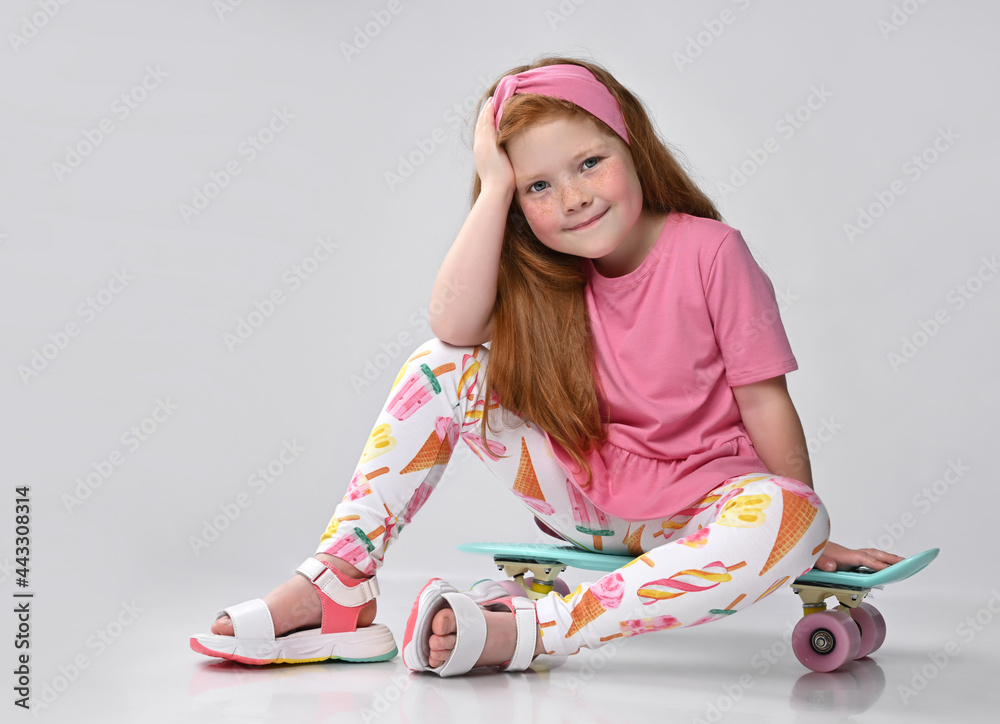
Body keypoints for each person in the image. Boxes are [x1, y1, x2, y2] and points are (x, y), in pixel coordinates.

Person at [190, 56, 904, 676]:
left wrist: (805, 530)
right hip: (585, 504)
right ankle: (340, 581)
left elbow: (765, 400)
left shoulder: (712, 252)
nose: (573, 198)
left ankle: (529, 632)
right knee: (443, 364)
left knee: (790, 513)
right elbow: (450, 328)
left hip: (702, 511)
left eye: (589, 163)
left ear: (630, 144)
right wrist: (493, 186)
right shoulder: (542, 272)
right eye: (538, 187)